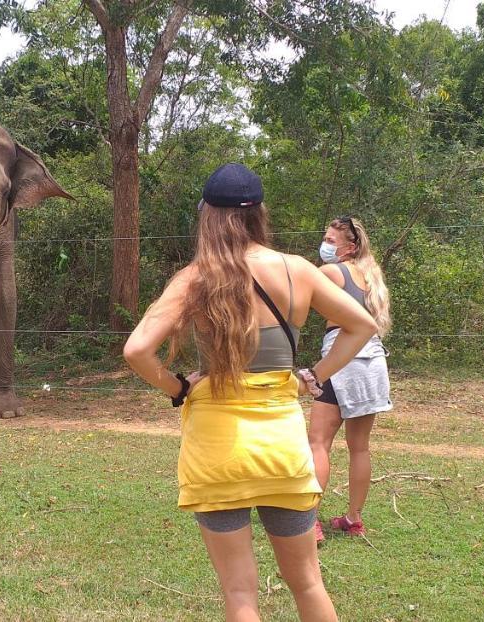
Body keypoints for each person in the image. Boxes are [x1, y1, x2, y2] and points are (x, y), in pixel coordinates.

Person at [124, 163, 378, 621]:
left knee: (240, 596)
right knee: (307, 583)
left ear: (207, 215)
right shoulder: (297, 270)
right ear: (259, 213)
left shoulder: (197, 277)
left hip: (216, 454)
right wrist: (314, 375)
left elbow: (138, 349)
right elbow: (363, 324)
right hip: (282, 451)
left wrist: (178, 387)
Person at [307, 217, 392, 541]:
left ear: (349, 247)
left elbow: (295, 293)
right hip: (372, 362)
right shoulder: (371, 278)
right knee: (359, 448)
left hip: (342, 359)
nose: (325, 244)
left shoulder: (332, 272)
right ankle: (353, 519)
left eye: (330, 239)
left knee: (318, 442)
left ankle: (310, 522)